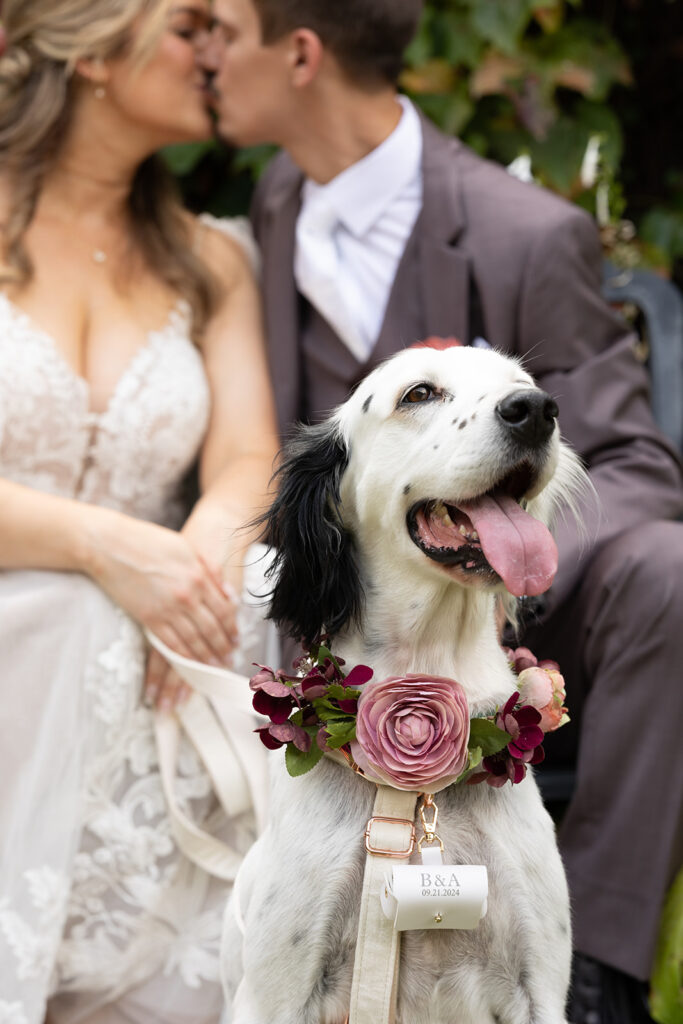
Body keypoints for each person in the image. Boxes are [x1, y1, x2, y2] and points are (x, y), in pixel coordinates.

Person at [199, 2, 683, 1021]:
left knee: (670, 571)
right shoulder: (273, 210)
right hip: (321, 607)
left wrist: (509, 560)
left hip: (510, 631)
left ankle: (594, 976)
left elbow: (632, 461)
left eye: (223, 32)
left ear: (299, 55)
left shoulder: (526, 234)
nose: (202, 53)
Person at [0, 0, 278, 1020]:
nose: (215, 52)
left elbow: (248, 454)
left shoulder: (210, 259)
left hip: (146, 672)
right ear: (93, 53)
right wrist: (105, 546)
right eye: (189, 26)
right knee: (64, 610)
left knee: (259, 580)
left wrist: (203, 541)